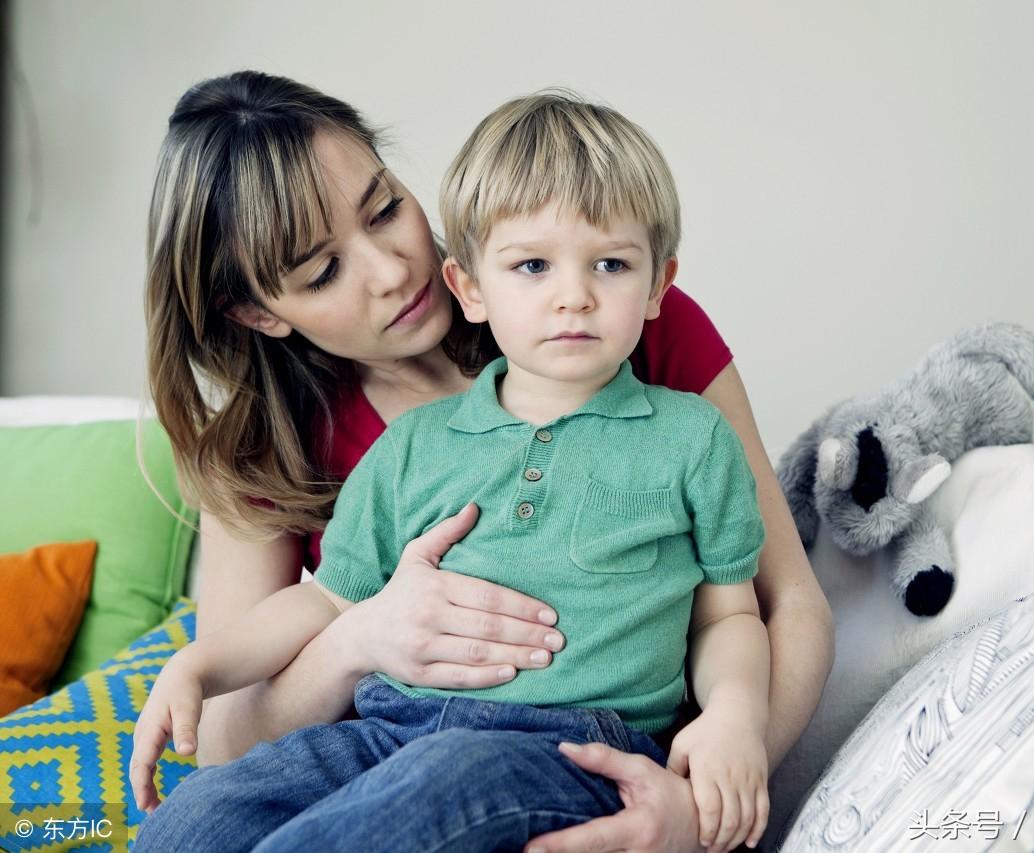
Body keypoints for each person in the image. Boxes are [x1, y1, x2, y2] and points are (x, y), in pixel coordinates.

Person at [141, 70, 833, 853]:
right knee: (192, 825)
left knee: (438, 782)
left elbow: (779, 606)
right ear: (261, 311)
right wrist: (360, 637)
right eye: (323, 270)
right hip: (388, 734)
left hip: (564, 752)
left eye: (385, 208)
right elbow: (231, 735)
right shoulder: (333, 446)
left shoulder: (636, 338)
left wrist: (703, 803)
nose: (392, 269)